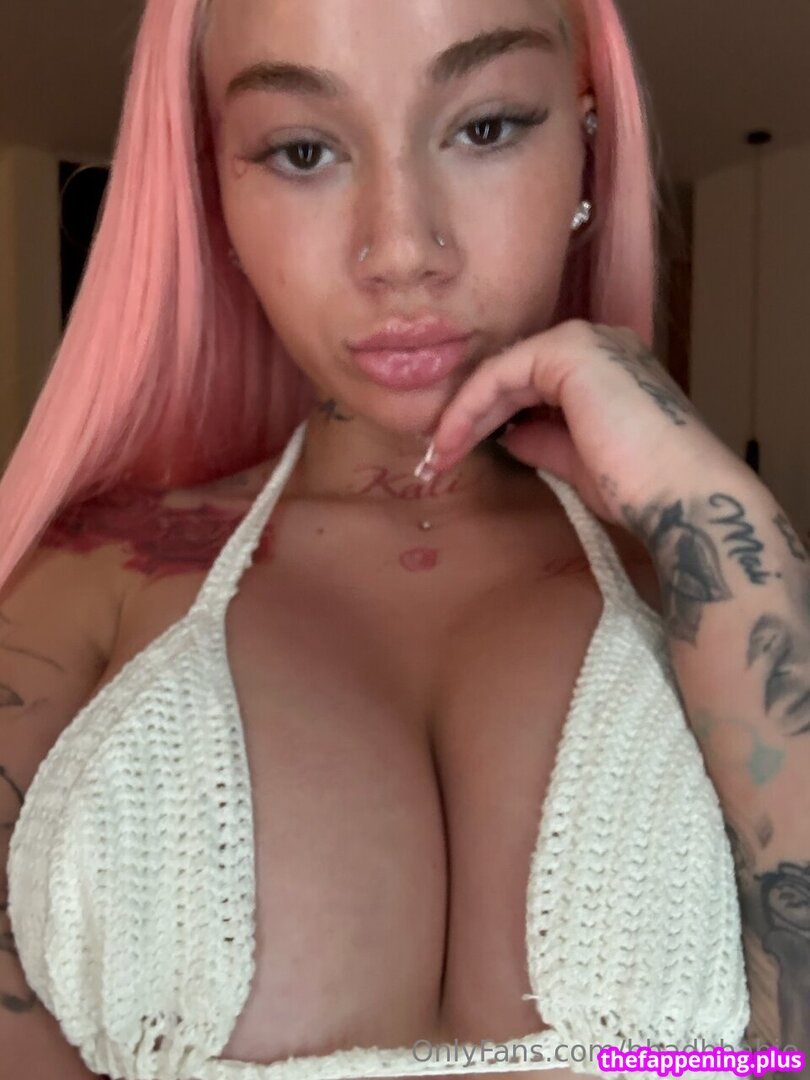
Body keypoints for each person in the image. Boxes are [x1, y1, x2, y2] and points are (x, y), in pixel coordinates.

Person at [4, 2, 804, 1079]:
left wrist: (723, 522)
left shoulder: (710, 585)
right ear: (215, 190)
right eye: (302, 150)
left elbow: (776, 1063)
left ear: (587, 143)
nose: (401, 252)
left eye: (486, 127)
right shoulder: (85, 586)